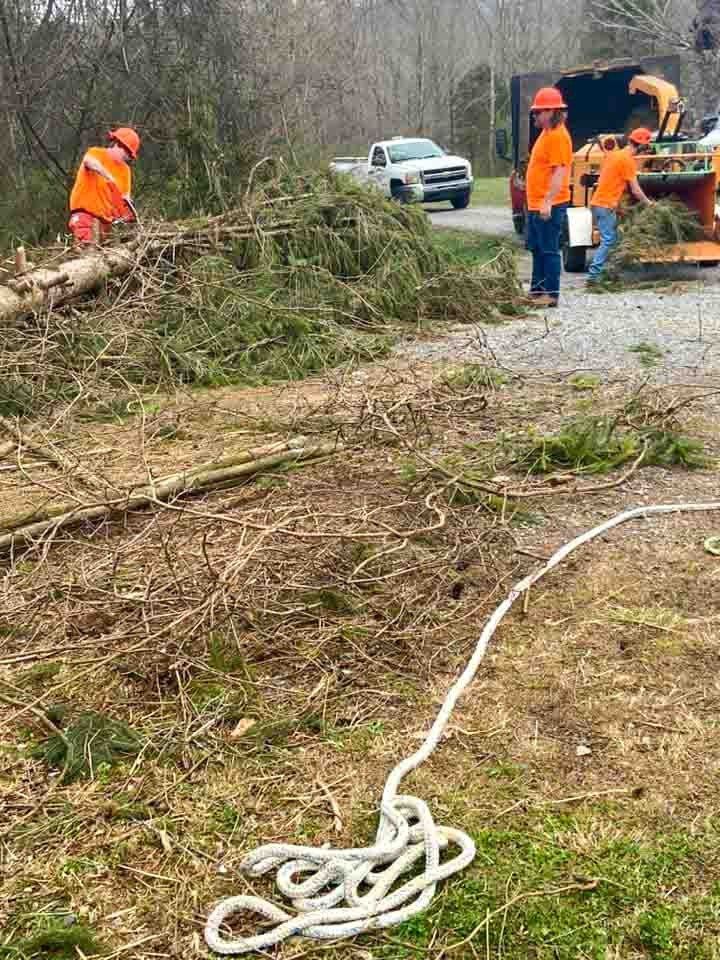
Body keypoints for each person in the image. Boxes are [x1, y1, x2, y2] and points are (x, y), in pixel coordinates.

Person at [525, 86, 573, 307]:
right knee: (537, 249)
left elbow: (559, 172)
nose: (535, 115)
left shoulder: (558, 137)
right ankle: (537, 290)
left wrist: (547, 201)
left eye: (539, 112)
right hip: (535, 204)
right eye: (535, 112)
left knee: (549, 250)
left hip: (549, 205)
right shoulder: (546, 134)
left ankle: (551, 295)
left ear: (552, 111)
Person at [587, 127, 654, 284]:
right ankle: (594, 276)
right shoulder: (627, 161)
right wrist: (650, 204)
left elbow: (612, 181)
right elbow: (636, 190)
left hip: (600, 203)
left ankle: (608, 273)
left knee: (613, 239)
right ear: (642, 146)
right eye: (646, 148)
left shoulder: (614, 155)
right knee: (609, 240)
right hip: (605, 205)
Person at [68, 127, 140, 244]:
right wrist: (108, 176)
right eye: (127, 153)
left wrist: (129, 214)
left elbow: (124, 199)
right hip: (85, 216)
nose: (127, 158)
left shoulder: (125, 171)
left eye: (130, 156)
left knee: (104, 258)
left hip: (106, 225)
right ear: (118, 144)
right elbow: (89, 161)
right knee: (86, 251)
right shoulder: (96, 153)